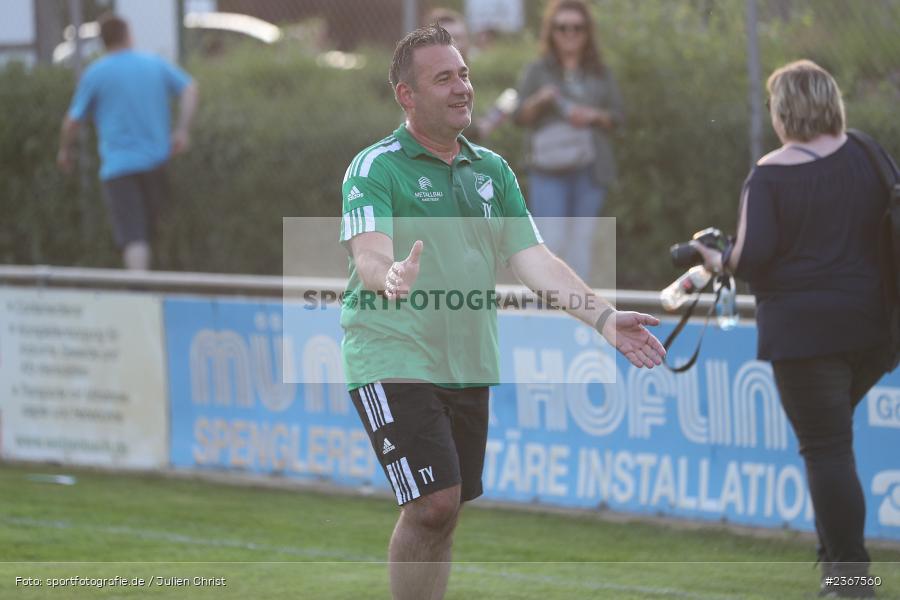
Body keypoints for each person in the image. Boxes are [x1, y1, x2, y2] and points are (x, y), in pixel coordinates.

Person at [339, 23, 665, 600]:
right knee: (434, 503)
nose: (462, 87)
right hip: (390, 354)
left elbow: (534, 260)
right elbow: (369, 253)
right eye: (444, 78)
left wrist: (604, 318)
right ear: (406, 95)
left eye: (464, 74)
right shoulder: (375, 167)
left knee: (446, 511)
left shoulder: (492, 170)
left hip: (467, 359)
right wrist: (389, 275)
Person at [691, 60, 892, 599]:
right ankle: (837, 570)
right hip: (874, 330)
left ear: (782, 112)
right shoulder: (868, 152)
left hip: (806, 337)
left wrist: (715, 258)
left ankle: (850, 581)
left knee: (826, 450)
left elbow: (751, 258)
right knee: (834, 445)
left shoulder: (771, 173)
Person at [57, 14, 199, 271]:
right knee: (160, 230)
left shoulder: (96, 73)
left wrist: (65, 150)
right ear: (128, 35)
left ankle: (140, 288)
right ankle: (170, 281)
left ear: (103, 42)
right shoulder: (153, 64)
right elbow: (190, 88)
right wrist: (182, 131)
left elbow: (72, 121)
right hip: (157, 161)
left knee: (134, 235)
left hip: (118, 167)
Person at [513, 0, 623, 283]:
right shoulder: (537, 70)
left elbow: (617, 118)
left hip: (590, 168)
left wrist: (593, 115)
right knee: (549, 242)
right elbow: (519, 116)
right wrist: (540, 100)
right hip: (547, 168)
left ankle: (574, 308)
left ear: (587, 32)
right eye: (562, 27)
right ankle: (542, 306)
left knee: (580, 246)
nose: (570, 34)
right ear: (551, 31)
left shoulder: (600, 72)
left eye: (577, 27)